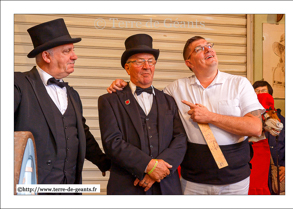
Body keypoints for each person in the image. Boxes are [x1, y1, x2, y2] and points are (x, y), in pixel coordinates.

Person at [107, 36, 264, 195]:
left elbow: (256, 128)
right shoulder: (174, 89)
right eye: (199, 49)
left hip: (235, 181)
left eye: (209, 45)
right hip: (193, 182)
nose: (208, 49)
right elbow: (144, 97)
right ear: (189, 63)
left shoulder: (239, 83)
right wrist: (126, 86)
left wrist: (210, 117)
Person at [14, 18, 110, 187]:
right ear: (46, 56)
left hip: (69, 187)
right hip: (31, 188)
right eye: (67, 51)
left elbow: (82, 136)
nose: (75, 56)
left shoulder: (73, 95)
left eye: (73, 50)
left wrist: (106, 163)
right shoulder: (17, 84)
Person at [98, 34, 187, 195]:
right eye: (139, 61)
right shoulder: (109, 101)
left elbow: (180, 139)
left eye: (151, 61)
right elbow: (112, 142)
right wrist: (148, 166)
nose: (147, 66)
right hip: (128, 185)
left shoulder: (169, 100)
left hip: (166, 185)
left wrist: (159, 170)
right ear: (127, 68)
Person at [253, 80, 285, 194]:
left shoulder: (281, 120)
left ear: (270, 95)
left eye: (263, 91)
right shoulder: (248, 119)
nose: (260, 94)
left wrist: (286, 165)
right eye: (256, 91)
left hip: (276, 170)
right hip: (255, 169)